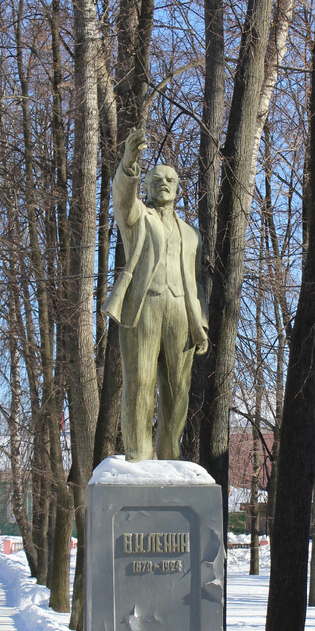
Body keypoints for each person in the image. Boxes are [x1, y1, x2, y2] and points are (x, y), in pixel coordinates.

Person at [104, 127, 208, 461]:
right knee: (140, 383)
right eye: (156, 179)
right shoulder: (138, 218)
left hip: (180, 313)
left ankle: (169, 455)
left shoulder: (192, 235)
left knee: (178, 391)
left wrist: (201, 324)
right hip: (143, 307)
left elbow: (197, 283)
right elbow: (122, 198)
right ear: (146, 187)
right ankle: (138, 454)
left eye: (170, 180)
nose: (163, 183)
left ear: (178, 189)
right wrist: (130, 163)